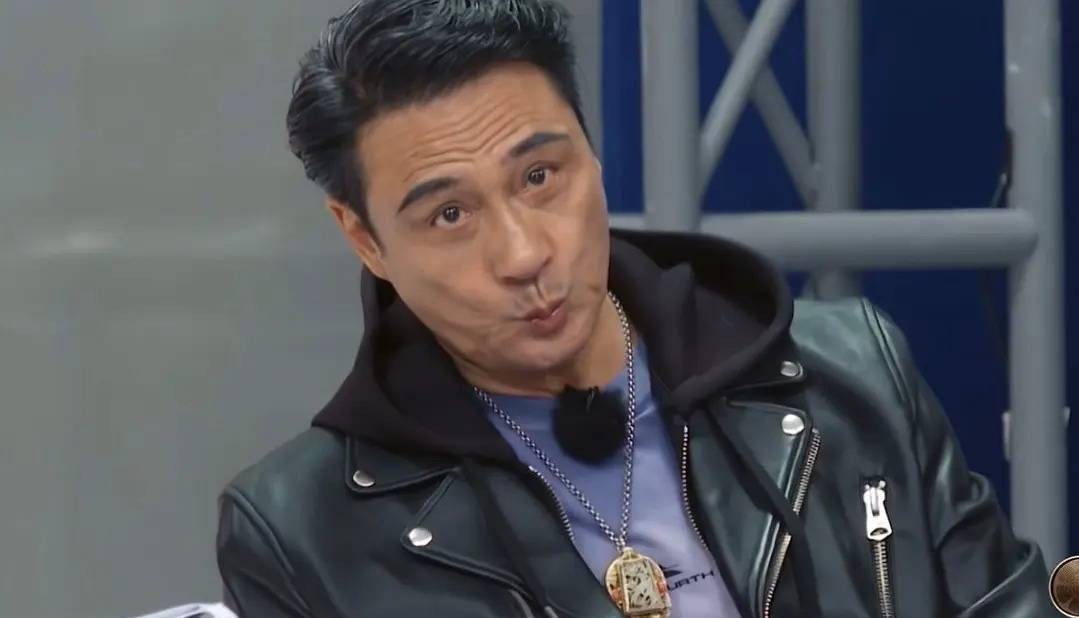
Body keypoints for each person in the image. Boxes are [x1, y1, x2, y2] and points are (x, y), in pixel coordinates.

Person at [214, 1, 1053, 616]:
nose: (523, 255)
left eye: (540, 177)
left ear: (592, 153)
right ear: (364, 239)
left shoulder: (848, 374)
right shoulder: (302, 531)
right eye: (449, 214)